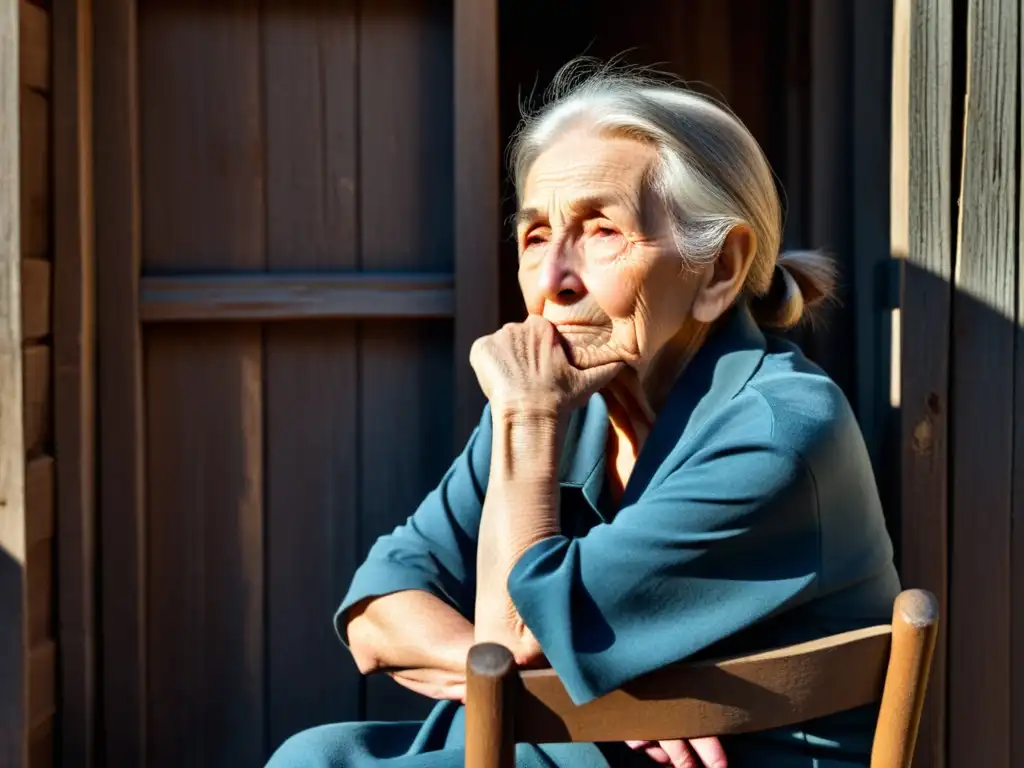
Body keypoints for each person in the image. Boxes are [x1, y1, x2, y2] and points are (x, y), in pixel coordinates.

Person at [266, 60, 900, 768]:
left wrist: (558, 684)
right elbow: (378, 609)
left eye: (601, 231)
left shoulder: (776, 435)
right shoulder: (555, 401)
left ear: (719, 270)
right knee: (315, 753)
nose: (553, 283)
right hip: (573, 747)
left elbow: (510, 643)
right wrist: (603, 697)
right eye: (536, 236)